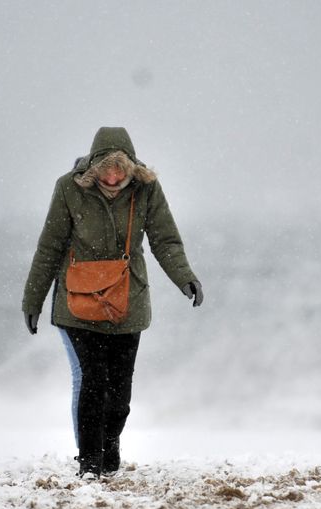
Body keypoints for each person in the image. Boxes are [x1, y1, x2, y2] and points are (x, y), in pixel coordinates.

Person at [22, 127, 202, 478]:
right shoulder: (68, 189)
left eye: (121, 169)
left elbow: (165, 240)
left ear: (132, 168)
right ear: (93, 167)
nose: (114, 177)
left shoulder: (146, 189)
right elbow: (49, 247)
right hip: (77, 302)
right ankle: (90, 462)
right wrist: (33, 299)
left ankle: (110, 445)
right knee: (93, 379)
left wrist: (185, 278)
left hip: (127, 301)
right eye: (107, 168)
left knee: (120, 393)